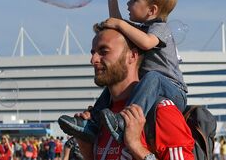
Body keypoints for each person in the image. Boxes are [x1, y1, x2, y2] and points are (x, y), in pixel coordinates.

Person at [60, 0, 187, 143]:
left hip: (173, 90)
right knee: (112, 83)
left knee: (153, 76)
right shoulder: (142, 29)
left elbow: (146, 43)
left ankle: (123, 123)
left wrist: (120, 25)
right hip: (150, 87)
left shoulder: (161, 28)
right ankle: (93, 123)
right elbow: (119, 24)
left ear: (152, 10)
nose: (128, 4)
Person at [70, 23, 195, 160]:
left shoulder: (161, 111)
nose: (93, 60)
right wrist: (87, 152)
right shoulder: (100, 117)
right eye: (93, 52)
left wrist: (136, 146)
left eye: (104, 52)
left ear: (133, 56)